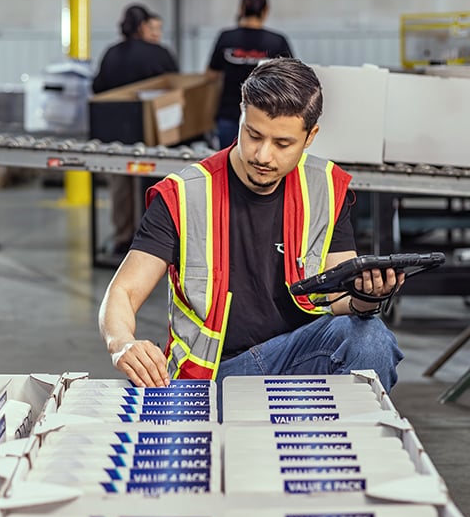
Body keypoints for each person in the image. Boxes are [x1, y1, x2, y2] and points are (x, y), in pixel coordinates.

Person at [99, 58, 405, 392]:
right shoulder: (184, 195)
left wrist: (366, 297)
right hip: (214, 376)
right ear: (241, 116)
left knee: (371, 339)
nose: (262, 155)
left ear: (310, 136)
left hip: (296, 358)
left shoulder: (325, 189)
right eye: (253, 135)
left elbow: (339, 299)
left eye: (282, 144)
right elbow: (123, 291)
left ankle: (337, 427)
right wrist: (122, 343)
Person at [92, 4, 179, 255]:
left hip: (116, 132)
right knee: (154, 184)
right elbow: (175, 87)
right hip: (153, 133)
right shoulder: (159, 53)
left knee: (120, 186)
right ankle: (153, 240)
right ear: (142, 26)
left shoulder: (111, 53)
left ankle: (123, 237)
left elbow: (98, 87)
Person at [206, 0, 294, 149]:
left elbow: (210, 75)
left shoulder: (226, 38)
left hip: (229, 114)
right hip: (266, 117)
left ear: (241, 9)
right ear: (266, 10)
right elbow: (290, 80)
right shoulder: (276, 41)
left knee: (228, 160)